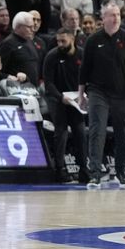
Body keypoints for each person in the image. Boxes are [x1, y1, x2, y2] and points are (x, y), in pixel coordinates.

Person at [79, 2, 125, 189]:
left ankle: (121, 173)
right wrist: (81, 94)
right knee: (96, 131)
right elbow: (84, 70)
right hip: (97, 92)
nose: (115, 18)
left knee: (122, 133)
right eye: (111, 15)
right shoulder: (93, 40)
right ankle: (95, 175)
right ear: (103, 18)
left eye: (117, 14)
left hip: (122, 93)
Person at [43, 28, 88, 183]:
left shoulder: (82, 55)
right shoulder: (52, 56)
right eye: (58, 41)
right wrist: (60, 97)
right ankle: (59, 170)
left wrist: (84, 95)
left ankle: (84, 170)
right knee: (60, 133)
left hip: (76, 99)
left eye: (63, 40)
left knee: (80, 132)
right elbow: (47, 83)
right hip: (58, 99)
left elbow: (89, 77)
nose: (60, 44)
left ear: (72, 39)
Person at [0, 12, 39, 85]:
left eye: (33, 26)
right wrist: (9, 77)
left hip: (33, 88)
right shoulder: (8, 44)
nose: (32, 30)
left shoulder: (30, 41)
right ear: (19, 27)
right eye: (29, 27)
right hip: (17, 89)